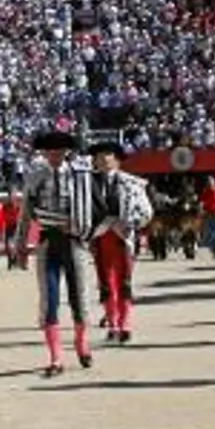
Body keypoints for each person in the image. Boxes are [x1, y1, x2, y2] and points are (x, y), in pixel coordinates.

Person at [15, 130, 101, 376]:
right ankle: (55, 358)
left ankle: (81, 344)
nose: (54, 155)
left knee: (79, 297)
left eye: (59, 151)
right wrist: (21, 246)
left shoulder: (81, 177)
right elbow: (26, 215)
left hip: (74, 242)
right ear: (44, 153)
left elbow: (95, 210)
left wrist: (87, 233)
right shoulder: (35, 177)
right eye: (50, 151)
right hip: (48, 243)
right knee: (49, 300)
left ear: (66, 153)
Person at [89, 142, 152, 344]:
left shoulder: (132, 183)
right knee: (106, 282)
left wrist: (129, 224)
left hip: (123, 238)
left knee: (124, 281)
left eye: (108, 155)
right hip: (100, 237)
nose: (104, 159)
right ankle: (113, 323)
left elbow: (146, 212)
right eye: (100, 156)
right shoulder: (87, 184)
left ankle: (125, 323)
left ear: (117, 159)